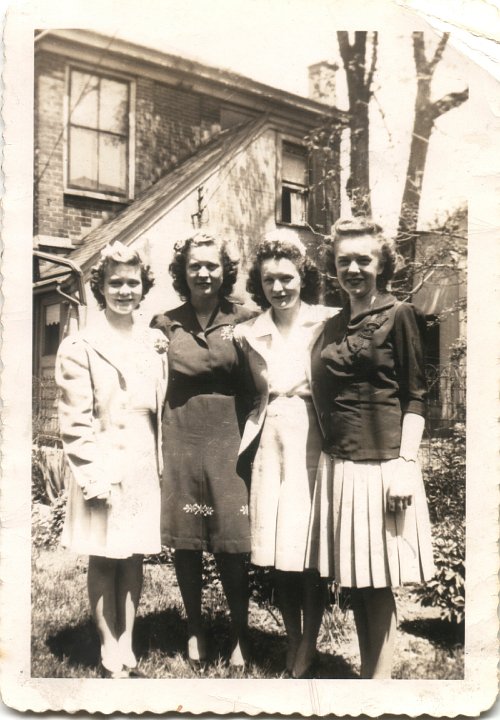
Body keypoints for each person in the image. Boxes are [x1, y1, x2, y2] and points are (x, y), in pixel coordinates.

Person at [306, 218, 435, 679]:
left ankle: (377, 687)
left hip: (384, 465)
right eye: (345, 261)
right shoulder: (333, 324)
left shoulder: (399, 314)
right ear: (333, 267)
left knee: (377, 582)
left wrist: (405, 463)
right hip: (340, 463)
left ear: (382, 264)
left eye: (364, 259)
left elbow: (416, 394)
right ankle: (369, 677)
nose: (354, 268)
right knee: (356, 578)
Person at [56, 242, 168, 678]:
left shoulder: (154, 342)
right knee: (104, 556)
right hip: (102, 459)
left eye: (132, 283)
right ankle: (106, 643)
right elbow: (75, 420)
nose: (124, 291)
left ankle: (127, 638)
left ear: (143, 288)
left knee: (134, 554)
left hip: (141, 460)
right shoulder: (80, 344)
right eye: (115, 283)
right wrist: (91, 474)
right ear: (100, 288)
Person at [235, 229, 338, 679]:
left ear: (303, 277)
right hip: (270, 438)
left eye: (287, 277)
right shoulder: (248, 332)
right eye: (269, 280)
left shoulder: (328, 321)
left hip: (313, 438)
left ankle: (309, 643)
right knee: (279, 550)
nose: (278, 287)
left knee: (308, 553)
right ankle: (292, 639)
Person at [151, 231, 256, 669]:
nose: (204, 272)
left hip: (231, 441)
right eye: (195, 265)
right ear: (183, 271)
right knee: (188, 542)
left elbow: (260, 384)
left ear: (225, 271)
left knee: (232, 543)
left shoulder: (247, 319)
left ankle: (240, 634)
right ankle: (194, 629)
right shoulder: (164, 323)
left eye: (212, 265)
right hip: (181, 441)